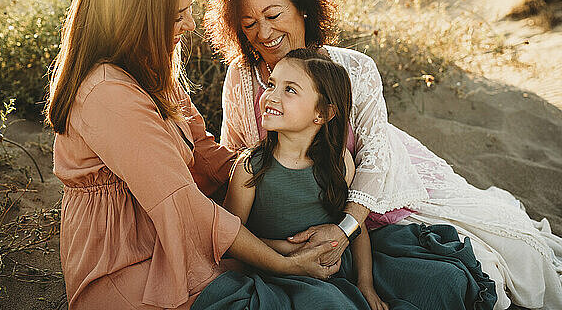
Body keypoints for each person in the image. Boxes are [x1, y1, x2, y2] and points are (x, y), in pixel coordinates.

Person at [205, 0, 562, 310]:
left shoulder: (355, 69)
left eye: (273, 14)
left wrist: (344, 228)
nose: (263, 32)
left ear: (302, 9)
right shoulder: (241, 77)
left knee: (501, 254)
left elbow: (375, 161)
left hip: (373, 182)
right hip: (295, 212)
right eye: (249, 24)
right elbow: (233, 154)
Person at [45, 0, 345, 310]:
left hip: (175, 234)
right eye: (176, 15)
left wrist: (289, 193)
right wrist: (283, 260)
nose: (190, 24)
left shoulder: (152, 72)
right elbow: (182, 202)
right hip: (129, 263)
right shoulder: (108, 93)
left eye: (188, 10)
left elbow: (209, 157)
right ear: (135, 16)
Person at [193, 48, 495, 310]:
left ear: (322, 113)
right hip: (279, 274)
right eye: (272, 85)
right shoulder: (251, 168)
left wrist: (366, 284)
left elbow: (356, 227)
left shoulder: (337, 162)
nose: (270, 96)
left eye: (290, 90)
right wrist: (288, 251)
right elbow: (233, 239)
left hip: (343, 262)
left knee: (444, 280)